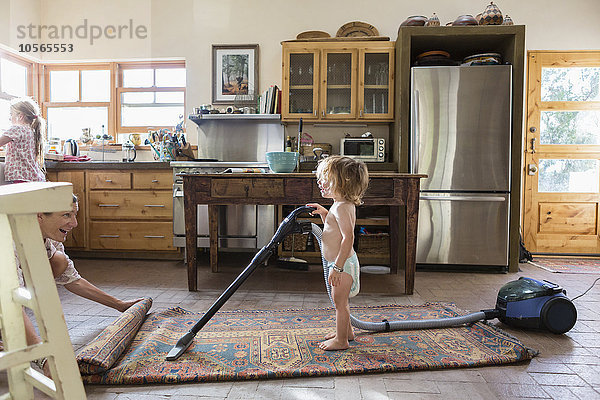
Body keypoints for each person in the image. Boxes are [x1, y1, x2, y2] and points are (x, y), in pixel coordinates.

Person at [14, 194, 144, 374]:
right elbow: (11, 303)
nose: (74, 223)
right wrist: (44, 358)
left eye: (75, 215)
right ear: (40, 215)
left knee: (59, 262)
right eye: (66, 215)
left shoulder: (49, 237)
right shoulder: (8, 241)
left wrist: (119, 305)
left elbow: (72, 279)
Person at [307, 156, 369, 351]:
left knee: (339, 304)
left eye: (325, 178)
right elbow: (333, 228)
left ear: (344, 182)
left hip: (342, 265)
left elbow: (348, 238)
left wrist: (337, 267)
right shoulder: (338, 205)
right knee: (341, 302)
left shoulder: (342, 207)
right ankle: (347, 332)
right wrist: (325, 213)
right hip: (339, 263)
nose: (320, 182)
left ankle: (341, 341)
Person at [0, 97, 46, 183]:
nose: (9, 118)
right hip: (31, 177)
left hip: (20, 177)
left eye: (11, 114)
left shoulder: (17, 129)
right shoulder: (31, 131)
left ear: (20, 116)